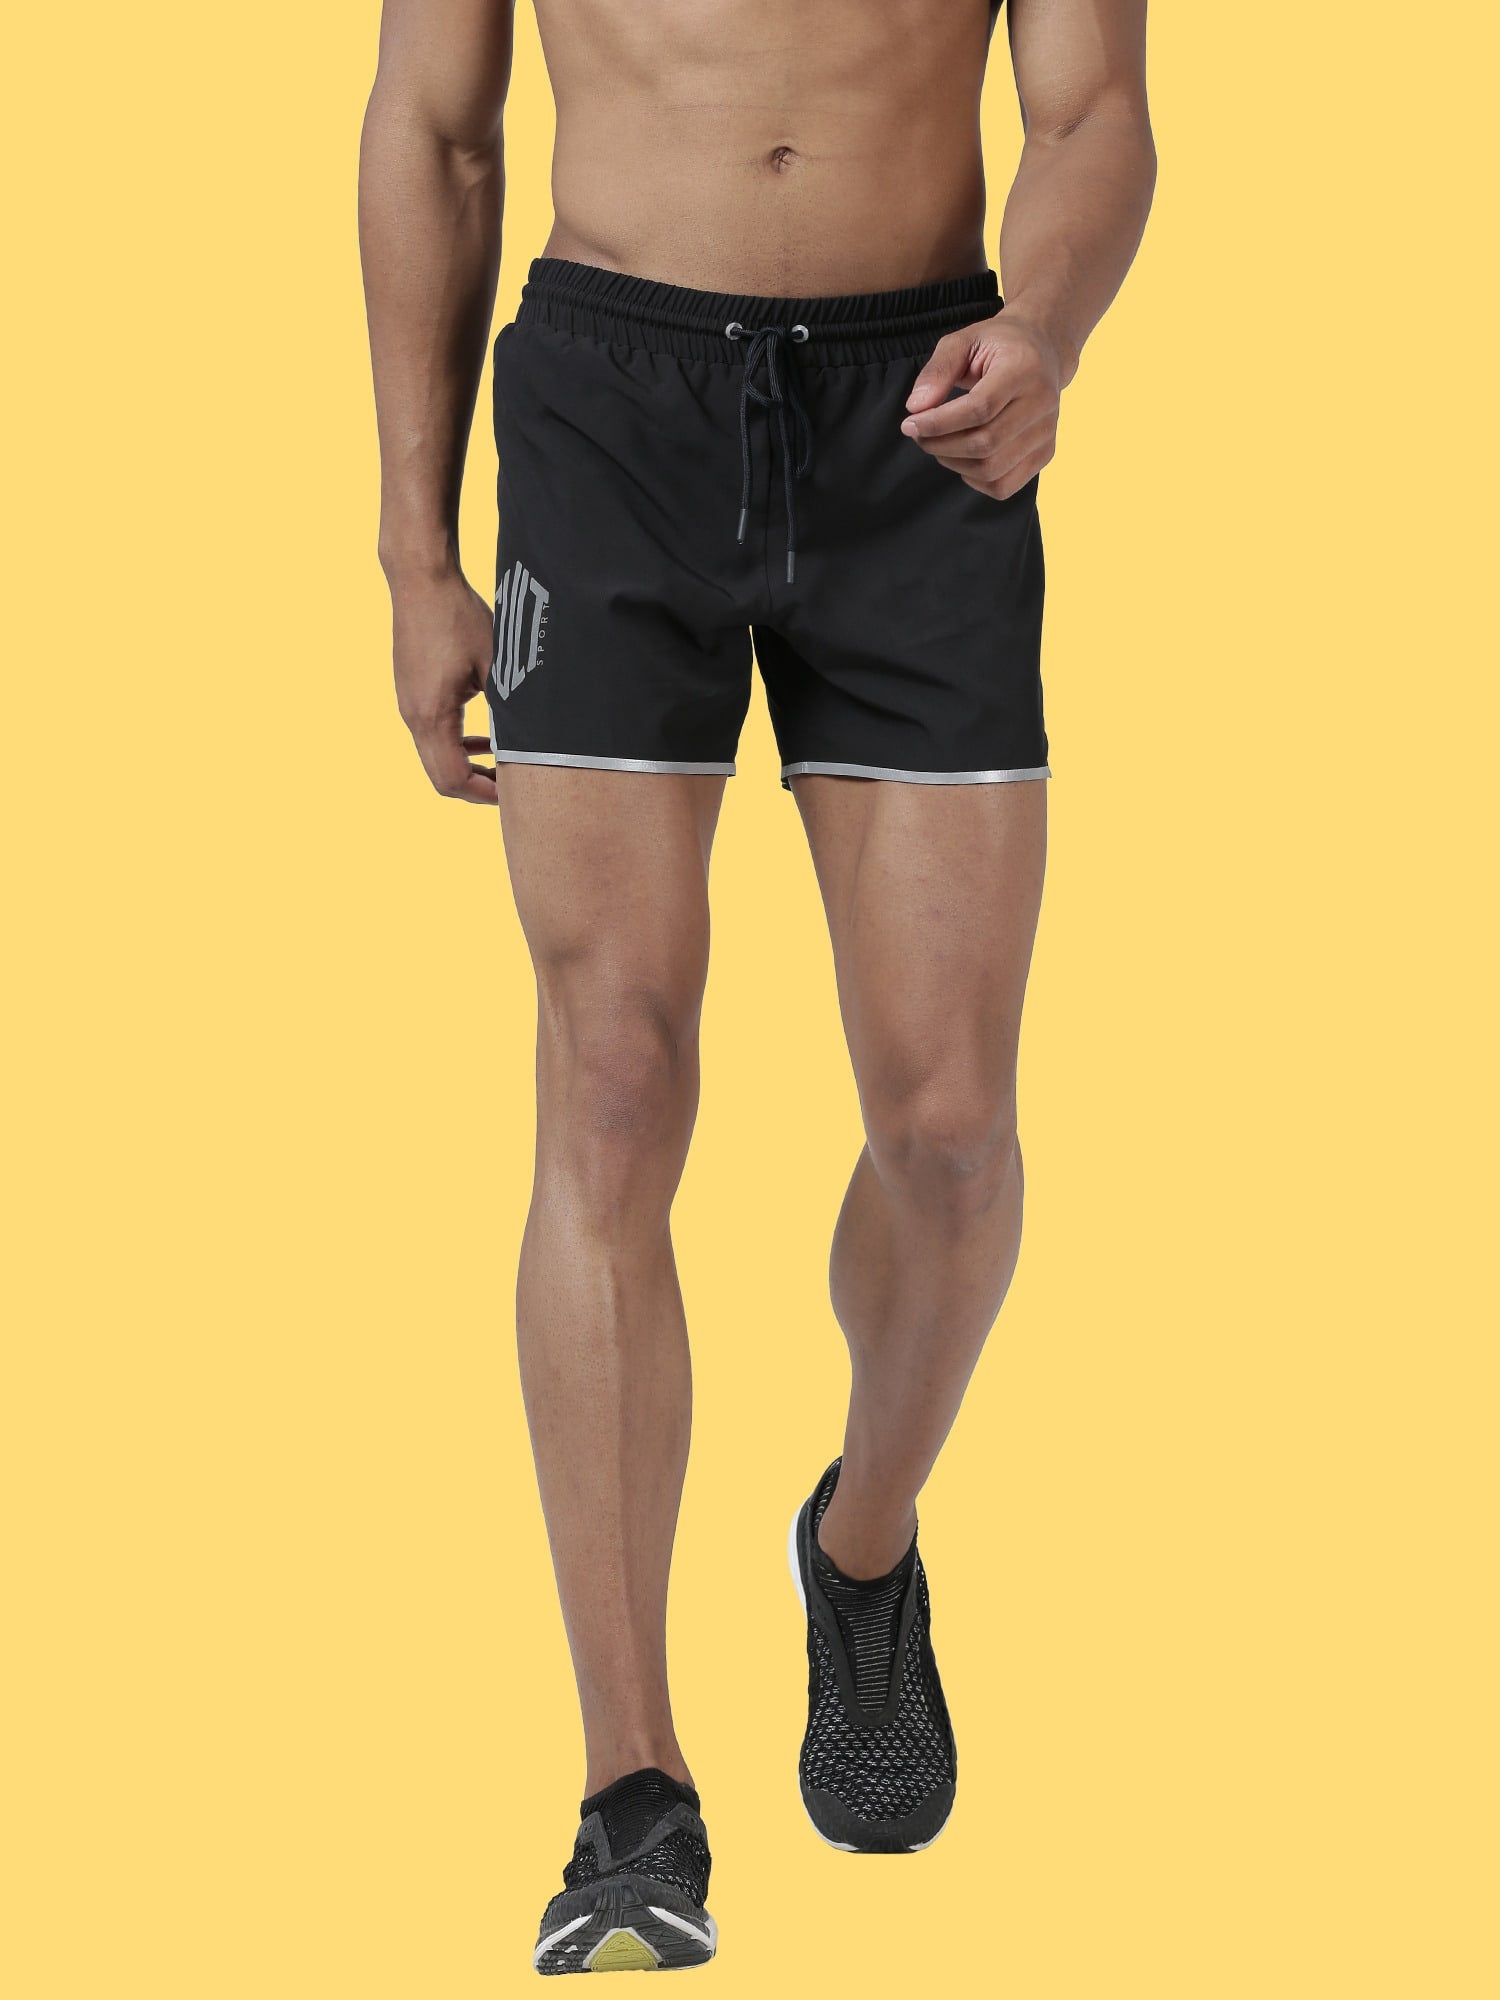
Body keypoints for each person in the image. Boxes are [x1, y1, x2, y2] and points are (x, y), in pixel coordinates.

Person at [359, 0, 1154, 1973]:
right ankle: (631, 1790)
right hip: (607, 412)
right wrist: (412, 551)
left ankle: (859, 1545)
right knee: (612, 1081)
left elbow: (1095, 113)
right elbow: (436, 127)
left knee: (952, 1132)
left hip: (923, 416)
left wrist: (1046, 330)